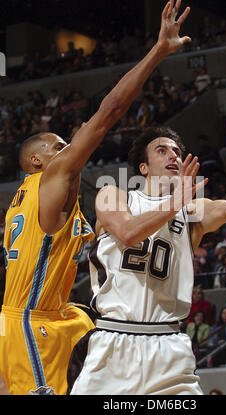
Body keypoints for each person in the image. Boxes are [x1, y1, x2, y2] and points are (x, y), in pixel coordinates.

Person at [68, 19, 226, 398]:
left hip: (169, 348)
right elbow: (126, 233)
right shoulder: (113, 195)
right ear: (143, 167)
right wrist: (175, 201)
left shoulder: (191, 208)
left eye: (177, 150)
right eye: (163, 150)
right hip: (114, 343)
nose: (173, 155)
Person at [0, 0, 185, 396]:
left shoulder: (33, 198)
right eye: (61, 145)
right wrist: (158, 52)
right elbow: (111, 109)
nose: (70, 148)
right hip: (33, 323)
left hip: (61, 315)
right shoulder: (52, 179)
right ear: (37, 160)